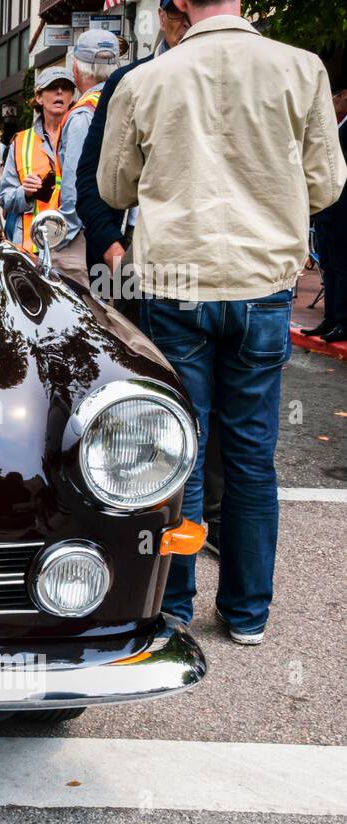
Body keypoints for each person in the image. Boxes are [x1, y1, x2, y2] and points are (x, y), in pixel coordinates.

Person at [99, 0, 346, 645]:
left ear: (180, 4)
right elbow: (326, 183)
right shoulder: (301, 68)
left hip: (176, 281)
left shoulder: (146, 79)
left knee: (179, 449)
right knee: (252, 455)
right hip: (263, 283)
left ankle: (172, 604)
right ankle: (246, 612)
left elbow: (114, 187)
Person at [77, 1, 190, 300]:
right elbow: (88, 177)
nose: (187, 21)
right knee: (120, 339)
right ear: (162, 17)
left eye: (195, 11)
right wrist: (112, 251)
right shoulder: (127, 81)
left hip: (193, 261)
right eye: (178, 12)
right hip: (125, 247)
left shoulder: (230, 78)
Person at [48, 29, 121, 289]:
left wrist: (60, 238)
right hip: (115, 231)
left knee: (86, 315)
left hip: (84, 239)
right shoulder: (122, 100)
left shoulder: (82, 115)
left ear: (76, 68)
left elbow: (74, 187)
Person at [0, 67, 74, 253]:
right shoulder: (21, 141)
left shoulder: (82, 137)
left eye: (65, 88)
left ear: (72, 96)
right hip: (30, 250)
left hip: (72, 247)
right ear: (39, 97)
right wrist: (25, 192)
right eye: (52, 87)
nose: (59, 92)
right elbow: (5, 199)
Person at [303, 71, 347, 343]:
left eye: (333, 96)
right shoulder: (333, 124)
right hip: (328, 209)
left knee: (342, 266)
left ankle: (342, 320)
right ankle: (330, 318)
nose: (330, 101)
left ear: (344, 95)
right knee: (328, 264)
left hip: (344, 210)